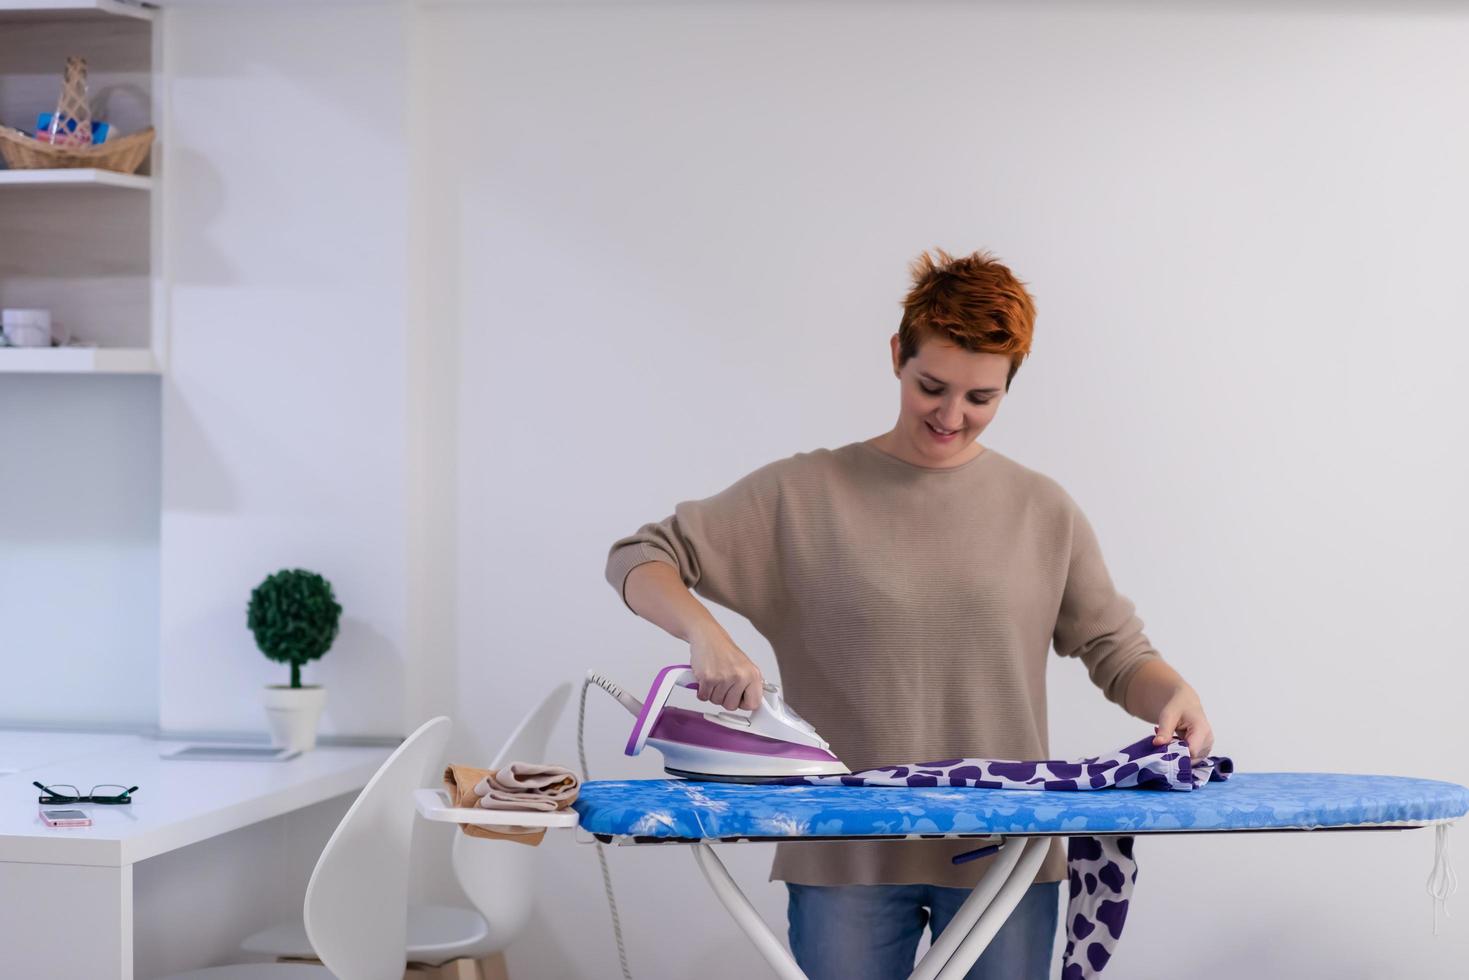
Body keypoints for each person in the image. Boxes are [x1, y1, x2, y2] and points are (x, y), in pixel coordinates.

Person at [603, 248, 1215, 980]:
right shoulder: (804, 496)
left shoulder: (1041, 510)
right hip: (844, 851)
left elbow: (1114, 649)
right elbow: (639, 555)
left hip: (1005, 853)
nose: (951, 416)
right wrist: (704, 634)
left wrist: (1170, 692)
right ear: (897, 355)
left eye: (980, 399)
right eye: (932, 386)